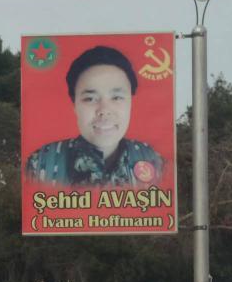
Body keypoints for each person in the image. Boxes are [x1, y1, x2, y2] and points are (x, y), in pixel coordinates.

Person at [25, 46, 164, 188]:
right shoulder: (41, 163)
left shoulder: (153, 160)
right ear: (74, 105)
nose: (104, 110)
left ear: (131, 102)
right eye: (90, 99)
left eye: (116, 97)